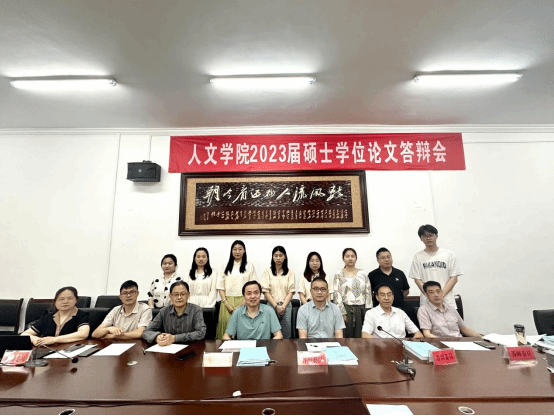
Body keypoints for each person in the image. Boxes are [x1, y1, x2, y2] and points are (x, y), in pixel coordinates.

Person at [409, 225, 463, 309]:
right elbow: (417, 279)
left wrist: (441, 294)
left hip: (447, 302)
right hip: (427, 303)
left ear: (436, 236)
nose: (428, 238)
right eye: (424, 236)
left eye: (430, 235)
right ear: (421, 238)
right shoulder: (418, 257)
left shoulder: (449, 254)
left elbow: (454, 278)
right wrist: (430, 295)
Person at [216, 240, 257, 340]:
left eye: (240, 249)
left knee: (243, 330)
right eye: (234, 249)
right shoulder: (225, 266)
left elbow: (253, 286)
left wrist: (241, 304)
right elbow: (220, 287)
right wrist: (226, 304)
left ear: (244, 250)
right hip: (227, 303)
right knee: (226, 332)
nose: (237, 252)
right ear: (231, 251)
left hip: (245, 302)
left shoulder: (249, 266)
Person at [21, 287, 90, 346]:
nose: (65, 301)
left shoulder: (82, 315)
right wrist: (35, 339)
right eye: (61, 299)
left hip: (71, 351)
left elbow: (83, 334)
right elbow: (25, 334)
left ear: (76, 300)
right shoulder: (48, 317)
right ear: (55, 302)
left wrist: (55, 339)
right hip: (48, 352)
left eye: (70, 298)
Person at [333, 248, 372, 338]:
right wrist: (342, 313)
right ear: (343, 258)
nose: (350, 258)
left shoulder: (363, 273)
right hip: (346, 309)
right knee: (346, 336)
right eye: (347, 256)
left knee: (361, 336)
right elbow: (336, 294)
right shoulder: (339, 274)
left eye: (352, 256)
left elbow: (368, 293)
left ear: (356, 258)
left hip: (361, 309)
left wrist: (368, 312)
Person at [261, 246, 295, 339]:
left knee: (286, 334)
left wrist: (282, 307)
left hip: (286, 306)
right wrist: (276, 306)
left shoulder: (290, 272)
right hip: (271, 305)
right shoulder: (267, 272)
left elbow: (291, 291)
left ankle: (286, 349)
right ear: (272, 257)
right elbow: (265, 291)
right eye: (276, 255)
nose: (278, 258)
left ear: (285, 257)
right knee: (269, 333)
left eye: (281, 255)